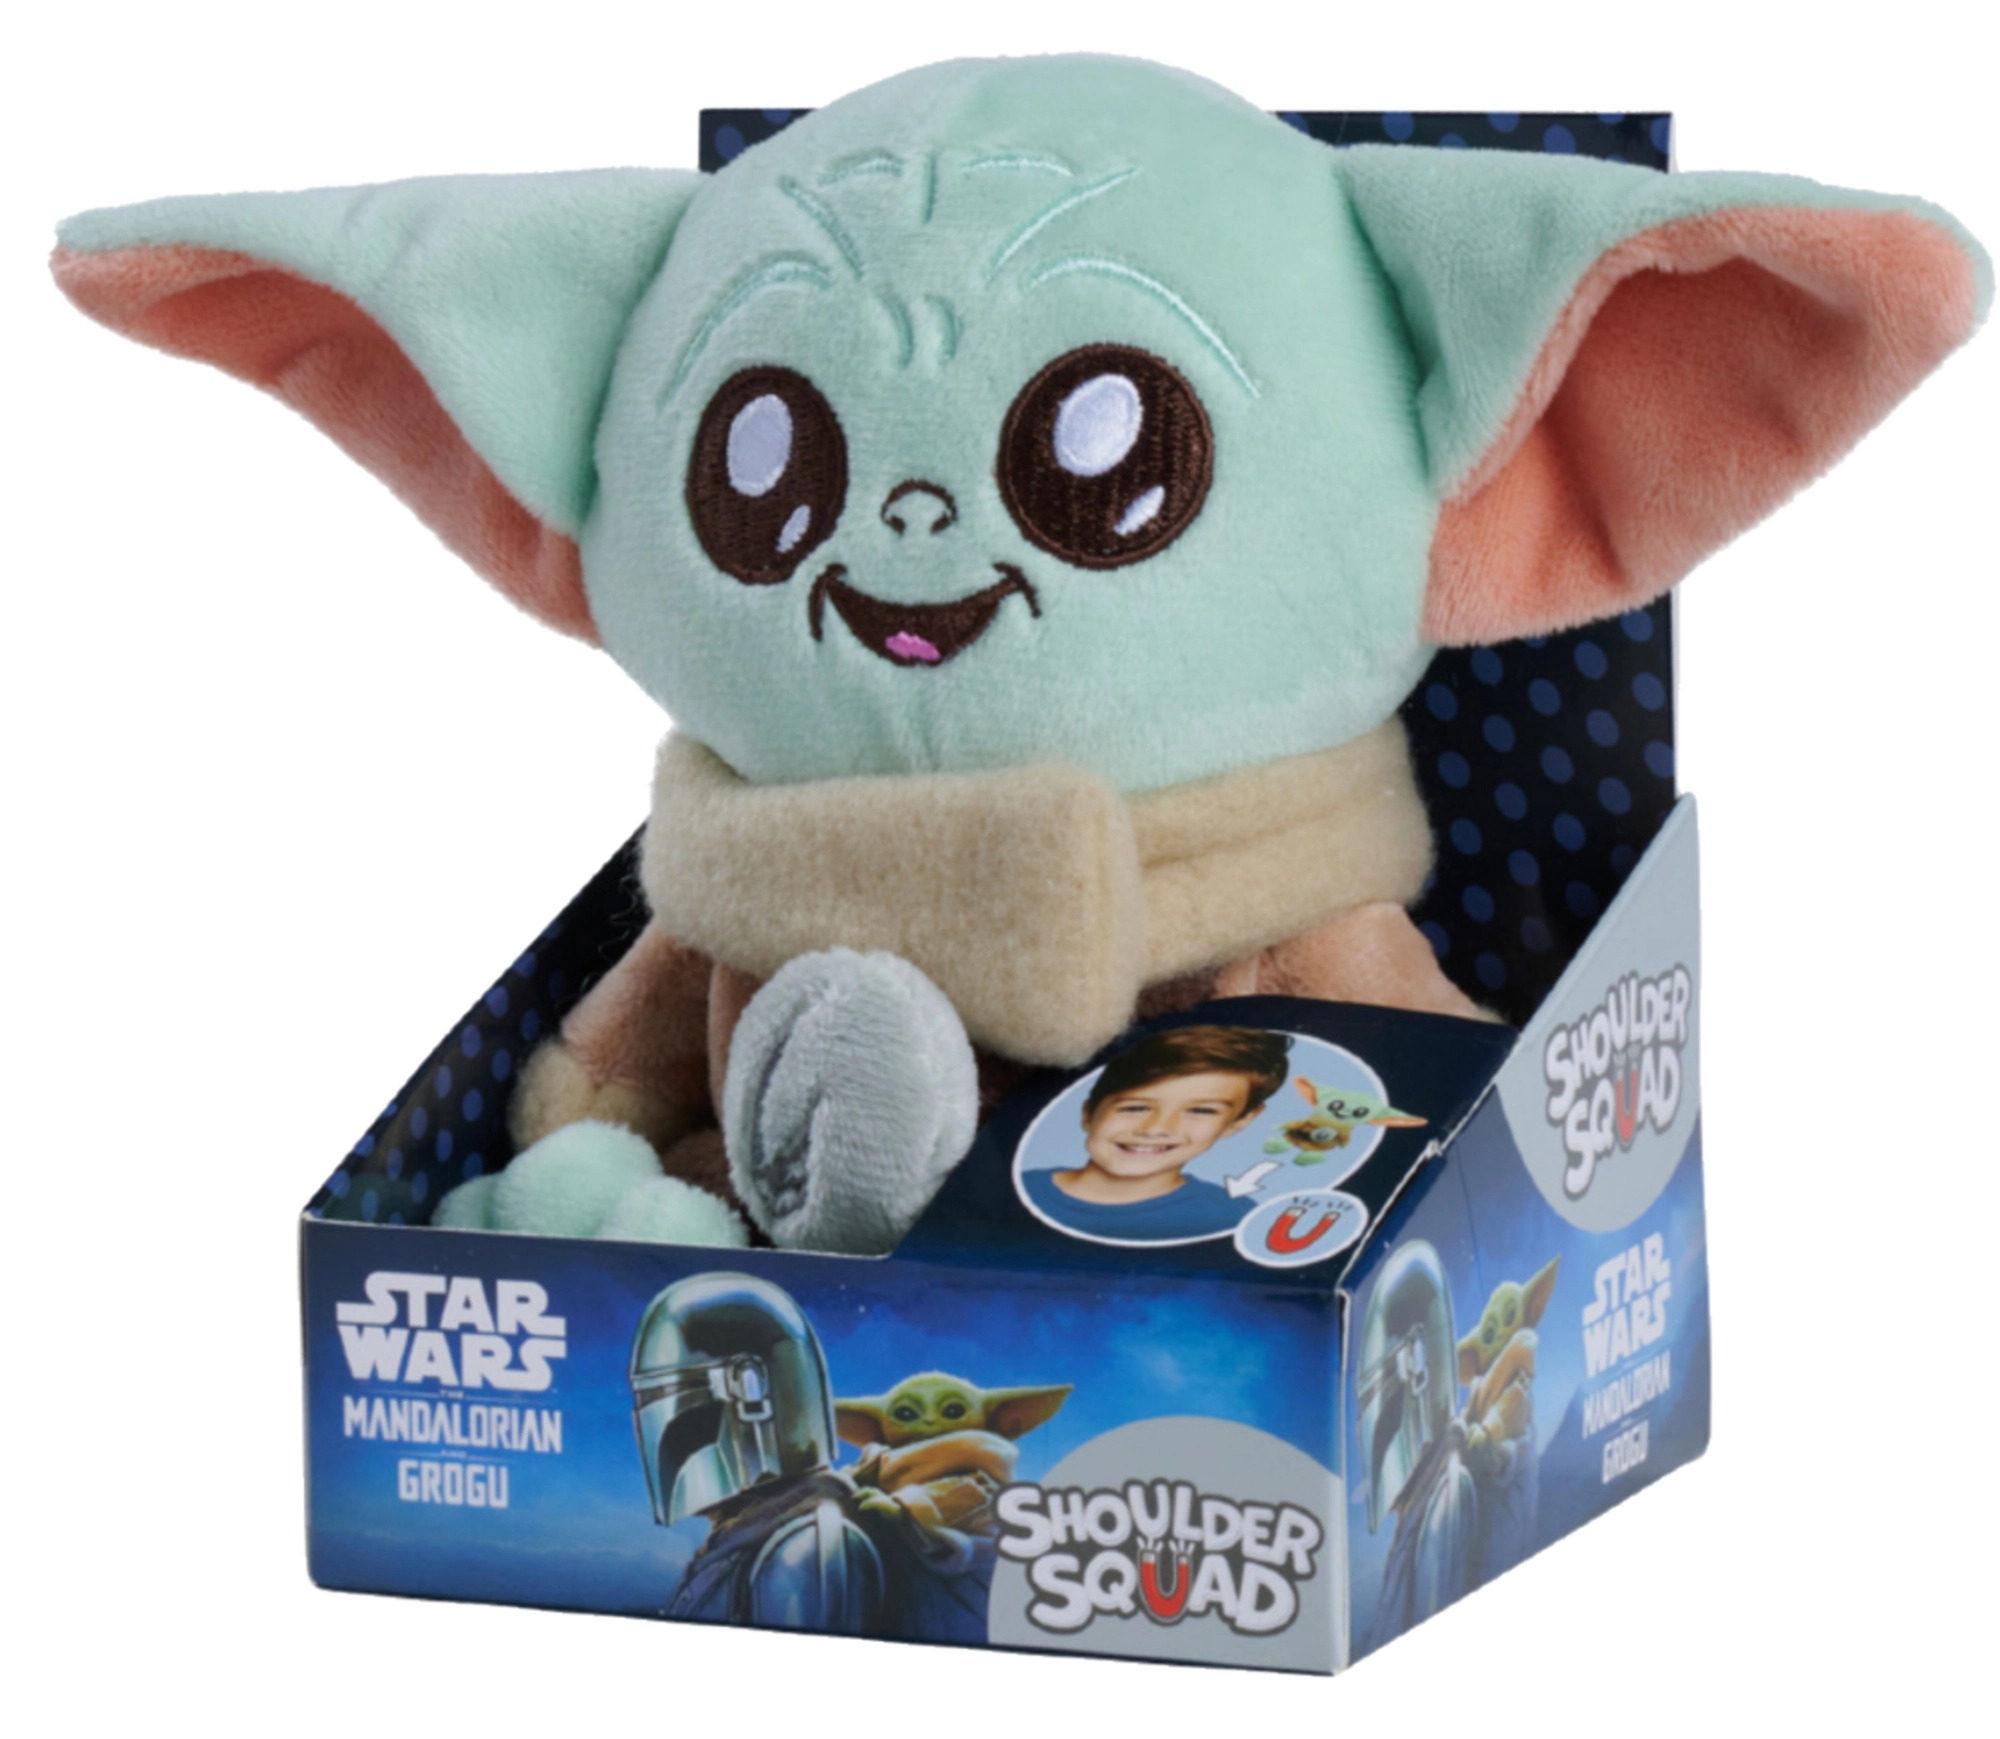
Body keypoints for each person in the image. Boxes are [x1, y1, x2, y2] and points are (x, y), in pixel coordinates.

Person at [1021, 1026, 1289, 1241]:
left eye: (1201, 1111)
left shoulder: (1233, 1218)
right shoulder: (1017, 1189)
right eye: (1135, 1107)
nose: (1156, 1129)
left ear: (1238, 1121)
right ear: (1088, 1114)